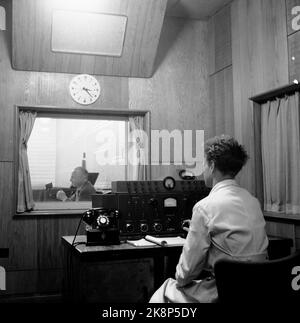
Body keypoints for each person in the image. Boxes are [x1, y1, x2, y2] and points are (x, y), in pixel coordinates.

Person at [149, 135, 269, 303]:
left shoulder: (204, 207)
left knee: (166, 289)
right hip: (259, 289)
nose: (203, 169)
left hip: (225, 292)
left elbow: (185, 275)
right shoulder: (253, 201)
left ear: (212, 166)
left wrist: (197, 231)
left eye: (203, 163)